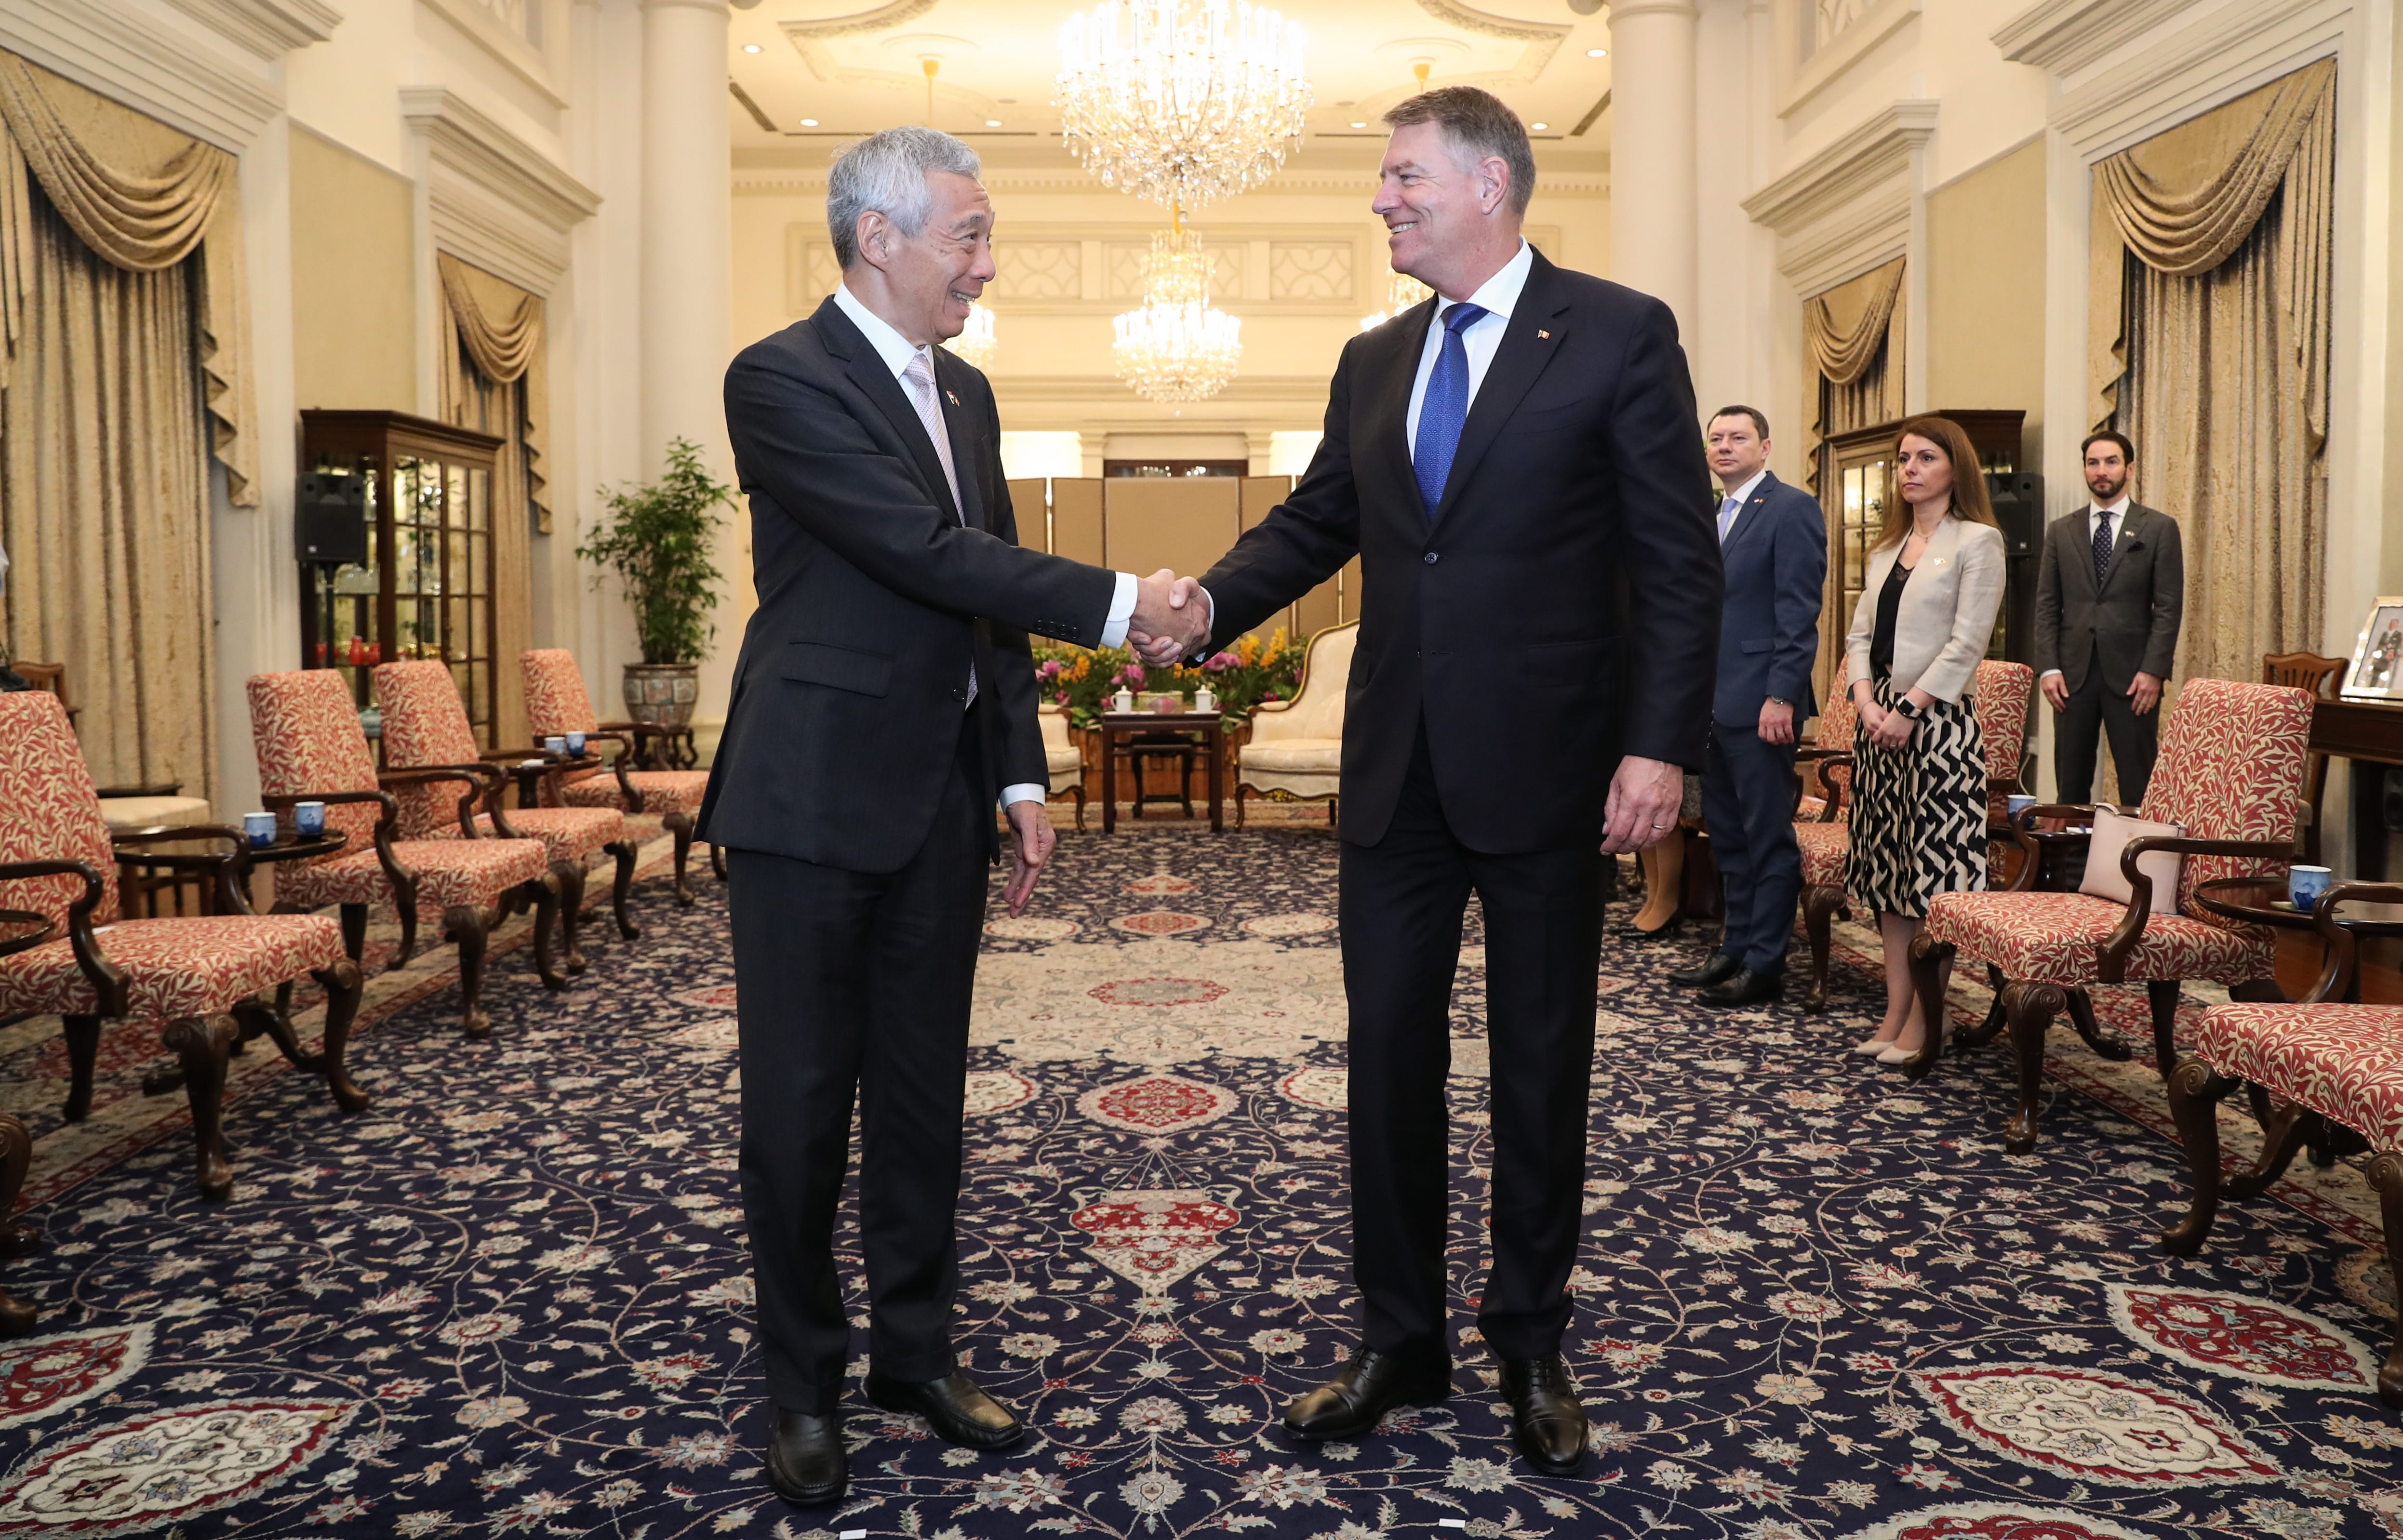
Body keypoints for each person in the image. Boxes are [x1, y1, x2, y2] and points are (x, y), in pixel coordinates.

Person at [1140, 85, 1719, 1475]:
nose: (1383, 199)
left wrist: (1659, 745)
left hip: (1551, 766)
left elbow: (1676, 560)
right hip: (1393, 773)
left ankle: (1529, 1336)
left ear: (1486, 184)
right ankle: (1399, 1336)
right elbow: (1317, 520)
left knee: (1541, 1063)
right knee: (1386, 1059)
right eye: (1385, 180)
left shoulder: (1619, 334)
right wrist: (1199, 608)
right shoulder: (1373, 358)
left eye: (1403, 176)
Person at [704, 126, 1202, 1508]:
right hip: (806, 801)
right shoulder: (779, 377)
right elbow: (918, 551)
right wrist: (1120, 606)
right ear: (879, 239)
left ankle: (911, 1353)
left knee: (924, 1097)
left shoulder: (970, 393)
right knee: (800, 1109)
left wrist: (1021, 772)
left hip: (937, 803)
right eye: (968, 237)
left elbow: (978, 613)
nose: (988, 264)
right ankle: (803, 1382)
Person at [1841, 415, 2005, 1064]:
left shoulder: (1977, 541)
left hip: (1935, 728)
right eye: (1902, 459)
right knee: (1887, 878)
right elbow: (1858, 636)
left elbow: (1969, 640)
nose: (1908, 468)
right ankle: (1895, 1012)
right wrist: (1863, 700)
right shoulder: (1886, 549)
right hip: (1877, 722)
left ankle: (1926, 1024)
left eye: (1924, 457)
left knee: (1930, 880)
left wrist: (1910, 705)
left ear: (1953, 469)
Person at [1668, 406, 1825, 1006]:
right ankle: (1733, 946)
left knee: (1767, 837)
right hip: (1711, 702)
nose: (1725, 446)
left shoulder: (1790, 508)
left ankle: (1766, 962)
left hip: (1763, 702)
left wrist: (1781, 694)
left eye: (1738, 437)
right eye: (1716, 438)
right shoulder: (1712, 515)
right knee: (1726, 835)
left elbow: (1798, 611)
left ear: (1765, 445)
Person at [2031, 430, 2183, 806]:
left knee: (2137, 784)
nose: (2102, 471)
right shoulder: (2061, 531)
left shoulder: (2159, 528)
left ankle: (2137, 865)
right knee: (2070, 788)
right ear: (2085, 469)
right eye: (2093, 463)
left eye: (2111, 462)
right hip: (2071, 678)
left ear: (2129, 469)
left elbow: (2168, 607)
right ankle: (2071, 867)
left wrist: (2154, 670)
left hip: (2134, 679)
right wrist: (2048, 668)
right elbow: (2047, 605)